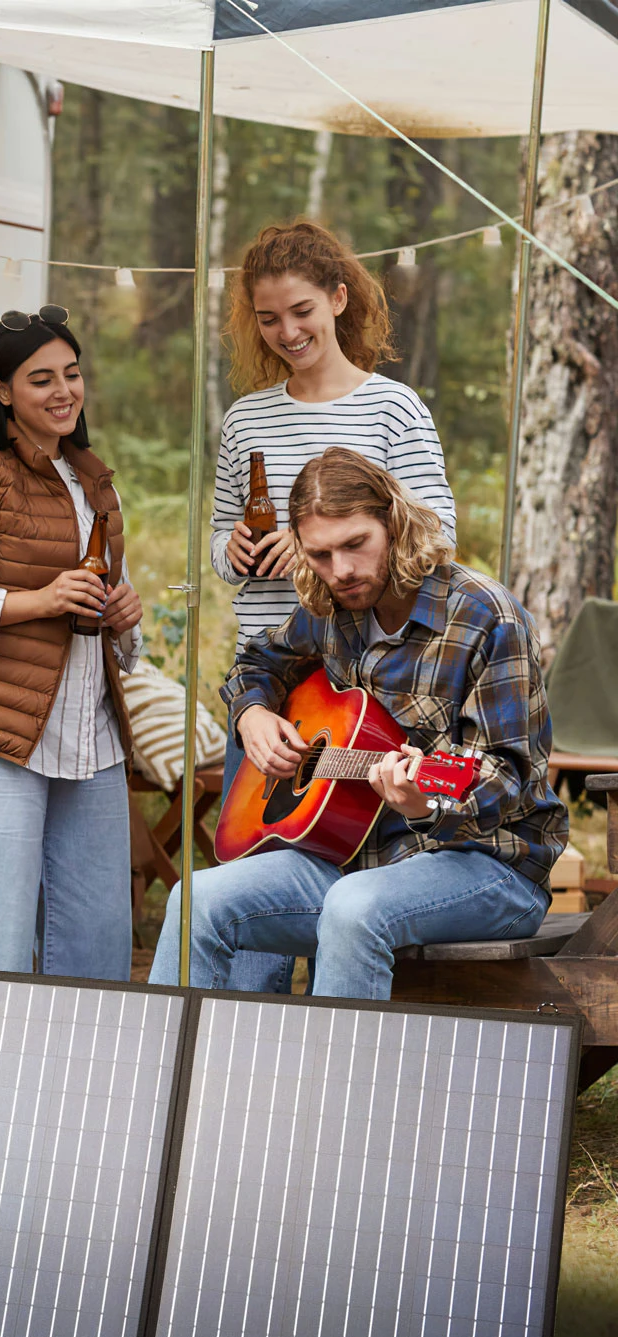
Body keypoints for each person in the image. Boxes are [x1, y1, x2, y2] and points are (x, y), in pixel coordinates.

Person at [151, 449, 564, 1000]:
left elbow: (507, 776)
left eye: (355, 545)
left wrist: (426, 802)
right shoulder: (330, 608)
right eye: (319, 554)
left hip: (489, 866)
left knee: (354, 909)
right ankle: (177, 1080)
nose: (341, 570)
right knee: (193, 901)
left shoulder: (486, 616)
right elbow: (259, 660)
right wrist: (251, 714)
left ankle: (338, 1086)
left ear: (394, 524)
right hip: (356, 858)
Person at [208, 219, 458, 992]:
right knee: (248, 884)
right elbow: (219, 537)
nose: (287, 331)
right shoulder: (246, 418)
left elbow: (438, 531)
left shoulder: (393, 409)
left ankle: (325, 1041)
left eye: (302, 311)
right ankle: (231, 1064)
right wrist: (236, 552)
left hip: (359, 686)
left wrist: (315, 541)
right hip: (267, 683)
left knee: (344, 868)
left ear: (339, 299)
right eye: (269, 318)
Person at [0, 305, 143, 978]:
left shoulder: (93, 480)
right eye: (41, 379)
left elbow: (106, 626)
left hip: (90, 738)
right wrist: (40, 600)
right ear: (3, 390)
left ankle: (79, 1077)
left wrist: (123, 620)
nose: (63, 391)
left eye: (72, 374)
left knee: (98, 941)